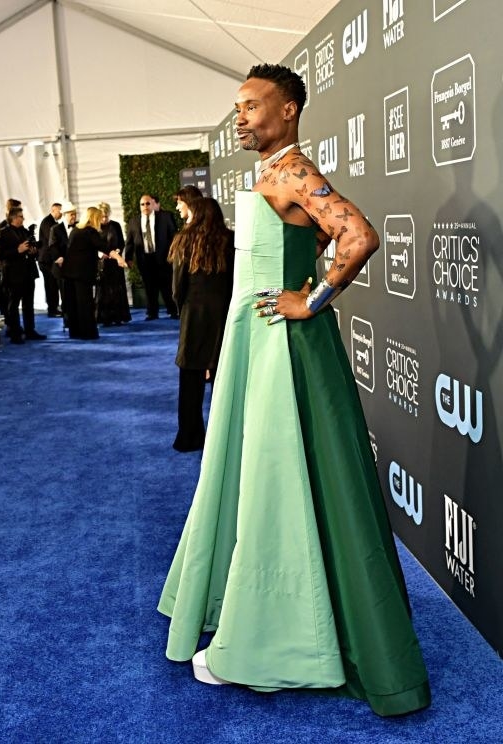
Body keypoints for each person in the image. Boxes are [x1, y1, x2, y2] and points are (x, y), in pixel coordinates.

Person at [157, 63, 430, 717]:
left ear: (289, 111)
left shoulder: (293, 171)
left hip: (286, 350)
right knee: (272, 481)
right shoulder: (272, 171)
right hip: (261, 344)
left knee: (283, 484)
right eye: (239, 106)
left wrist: (312, 298)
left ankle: (273, 639)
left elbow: (358, 235)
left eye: (254, 105)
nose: (242, 116)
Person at [166, 196, 233, 451]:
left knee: (190, 380)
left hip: (193, 314)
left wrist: (182, 308)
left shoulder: (183, 240)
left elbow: (177, 286)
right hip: (223, 314)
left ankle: (190, 437)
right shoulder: (229, 239)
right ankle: (225, 439)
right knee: (223, 377)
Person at [0, 205, 44, 343]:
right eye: (21, 216)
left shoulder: (24, 231)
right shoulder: (3, 232)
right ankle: (15, 333)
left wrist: (33, 251)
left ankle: (30, 330)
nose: (23, 219)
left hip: (28, 272)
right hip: (12, 274)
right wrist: (18, 250)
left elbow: (31, 248)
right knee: (13, 304)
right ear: (14, 218)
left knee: (28, 303)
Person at [125, 193, 177, 319]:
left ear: (153, 204)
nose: (145, 206)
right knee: (149, 287)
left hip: (163, 257)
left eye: (148, 203)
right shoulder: (134, 221)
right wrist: (128, 258)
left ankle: (173, 310)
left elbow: (174, 236)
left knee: (167, 285)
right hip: (145, 259)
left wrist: (174, 254)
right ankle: (152, 312)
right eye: (142, 204)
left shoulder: (165, 217)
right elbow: (130, 241)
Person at [62, 206, 110, 340]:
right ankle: (88, 333)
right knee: (85, 304)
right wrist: (117, 257)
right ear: (94, 218)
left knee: (74, 304)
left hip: (70, 272)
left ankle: (76, 332)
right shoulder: (90, 232)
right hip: (82, 274)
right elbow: (103, 246)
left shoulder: (76, 230)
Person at [95, 202, 130, 326]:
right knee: (103, 290)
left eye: (106, 216)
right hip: (102, 264)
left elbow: (121, 242)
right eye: (102, 216)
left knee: (117, 289)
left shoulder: (116, 225)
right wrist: (99, 254)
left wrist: (118, 251)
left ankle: (118, 316)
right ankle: (104, 318)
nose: (104, 219)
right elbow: (94, 245)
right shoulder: (95, 228)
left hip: (115, 262)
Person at [38, 203, 62, 316]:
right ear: (54, 210)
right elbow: (51, 239)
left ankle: (54, 307)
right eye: (60, 211)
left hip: (49, 259)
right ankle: (52, 309)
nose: (61, 213)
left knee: (53, 284)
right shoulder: (47, 222)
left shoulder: (52, 222)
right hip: (46, 260)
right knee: (51, 284)